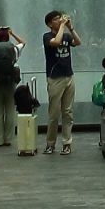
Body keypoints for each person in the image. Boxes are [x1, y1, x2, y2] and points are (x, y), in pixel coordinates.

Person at [42, 11, 81, 155]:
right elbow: (56, 43)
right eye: (56, 19)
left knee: (68, 112)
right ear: (49, 23)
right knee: (54, 113)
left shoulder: (66, 35)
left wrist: (70, 28)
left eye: (60, 18)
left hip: (68, 76)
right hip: (55, 78)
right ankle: (50, 144)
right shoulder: (47, 36)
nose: (59, 21)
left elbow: (78, 42)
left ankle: (66, 143)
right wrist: (63, 27)